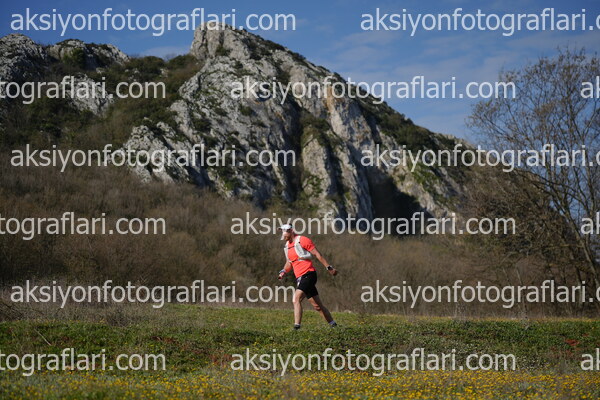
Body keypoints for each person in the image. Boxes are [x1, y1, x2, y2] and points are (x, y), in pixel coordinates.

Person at [277, 224, 338, 330]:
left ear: (291, 231)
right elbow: (289, 262)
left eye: (285, 232)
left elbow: (317, 254)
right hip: (300, 277)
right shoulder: (287, 246)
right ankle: (334, 326)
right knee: (317, 306)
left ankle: (297, 327)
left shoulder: (302, 240)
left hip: (309, 274)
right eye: (282, 232)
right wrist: (283, 271)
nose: (283, 235)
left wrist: (329, 267)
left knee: (296, 299)